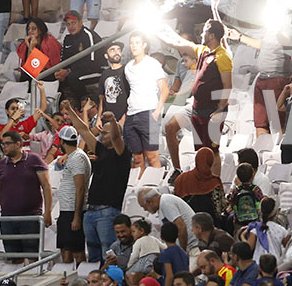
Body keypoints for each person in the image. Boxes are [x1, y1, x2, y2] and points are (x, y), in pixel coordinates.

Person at [158, 21, 232, 176]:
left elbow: (227, 85)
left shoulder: (222, 56)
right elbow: (180, 43)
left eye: (204, 31)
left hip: (212, 111)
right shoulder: (203, 51)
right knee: (200, 150)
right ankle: (199, 181)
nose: (200, 34)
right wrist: (160, 29)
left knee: (212, 151)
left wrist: (220, 109)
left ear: (211, 35)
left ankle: (214, 184)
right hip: (197, 109)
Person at [70, 108, 131, 265]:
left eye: (105, 133)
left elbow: (117, 137)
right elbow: (83, 129)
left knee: (108, 255)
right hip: (91, 211)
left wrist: (113, 121)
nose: (101, 135)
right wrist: (70, 110)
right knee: (93, 255)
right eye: (101, 133)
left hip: (107, 210)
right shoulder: (100, 150)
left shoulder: (122, 154)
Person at [0, 130, 53, 256]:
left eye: (7, 144)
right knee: (13, 258)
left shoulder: (34, 159)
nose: (4, 147)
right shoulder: (2, 164)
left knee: (32, 257)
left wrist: (48, 212)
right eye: (3, 144)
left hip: (30, 217)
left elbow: (46, 186)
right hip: (7, 218)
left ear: (18, 144)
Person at [124, 31, 167, 171]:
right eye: (131, 43)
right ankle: (138, 190)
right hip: (131, 115)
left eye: (137, 43)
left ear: (144, 45)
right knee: (136, 159)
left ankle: (156, 189)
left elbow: (164, 89)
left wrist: (157, 111)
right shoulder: (128, 67)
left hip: (149, 112)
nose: (134, 46)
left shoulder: (152, 64)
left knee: (153, 156)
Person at [55, 125, 92, 264]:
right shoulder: (74, 156)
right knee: (66, 250)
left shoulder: (77, 158)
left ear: (62, 141)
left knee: (76, 251)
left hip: (72, 211)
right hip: (67, 210)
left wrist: (76, 217)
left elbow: (80, 187)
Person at [55, 10, 106, 103]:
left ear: (81, 22)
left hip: (95, 70)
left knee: (72, 77)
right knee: (52, 75)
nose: (71, 26)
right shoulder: (67, 39)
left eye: (73, 23)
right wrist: (61, 71)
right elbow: (64, 61)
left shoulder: (88, 35)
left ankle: (82, 103)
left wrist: (68, 71)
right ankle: (62, 108)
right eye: (68, 24)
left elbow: (93, 62)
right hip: (74, 71)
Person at [137, 189, 200, 264]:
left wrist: (182, 253)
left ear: (149, 201)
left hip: (193, 248)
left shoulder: (165, 202)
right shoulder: (163, 204)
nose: (145, 210)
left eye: (144, 207)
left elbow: (181, 227)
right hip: (188, 248)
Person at [175, 148, 226, 225]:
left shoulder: (181, 179)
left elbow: (176, 202)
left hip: (187, 223)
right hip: (209, 226)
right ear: (211, 162)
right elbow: (220, 208)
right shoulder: (215, 182)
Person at [97, 41, 128, 127]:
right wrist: (99, 118)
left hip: (124, 119)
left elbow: (133, 96)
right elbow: (101, 98)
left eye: (118, 50)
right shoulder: (105, 74)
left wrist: (124, 118)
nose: (116, 52)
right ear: (106, 56)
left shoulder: (127, 70)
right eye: (112, 50)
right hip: (107, 120)